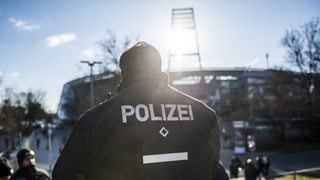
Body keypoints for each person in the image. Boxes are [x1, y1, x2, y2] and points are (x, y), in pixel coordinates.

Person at [52, 41, 225, 179]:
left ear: (123, 74)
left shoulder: (94, 119)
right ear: (159, 69)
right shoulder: (204, 115)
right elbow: (214, 169)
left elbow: (64, 174)